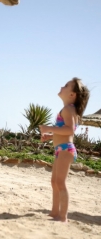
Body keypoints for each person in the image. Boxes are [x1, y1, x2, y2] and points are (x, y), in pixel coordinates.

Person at [39, 77, 90, 222]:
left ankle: (63, 216)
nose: (62, 86)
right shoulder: (67, 109)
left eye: (67, 85)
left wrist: (48, 127)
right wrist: (50, 136)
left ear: (72, 95)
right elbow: (63, 130)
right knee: (54, 182)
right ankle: (55, 212)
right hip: (60, 149)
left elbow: (70, 130)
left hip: (66, 150)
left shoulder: (68, 109)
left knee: (60, 182)